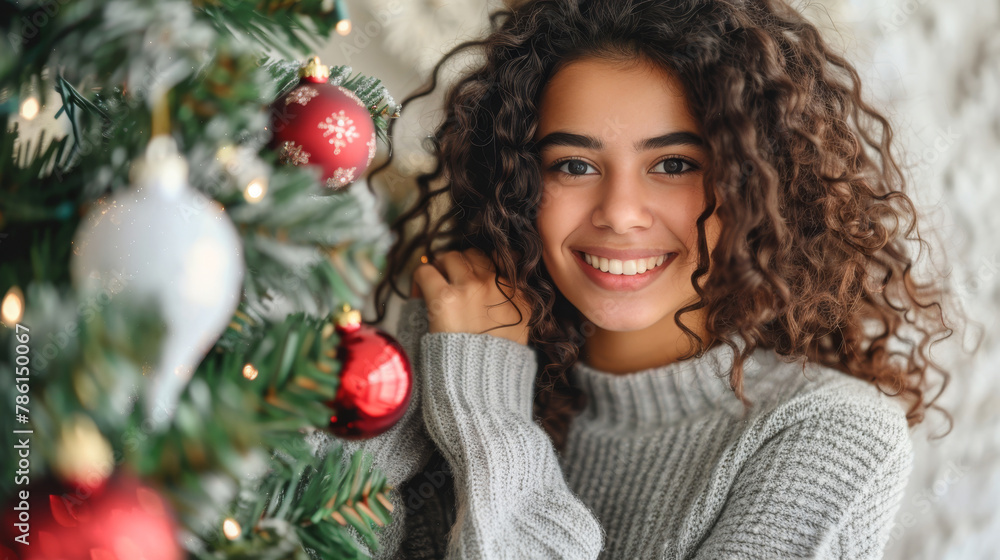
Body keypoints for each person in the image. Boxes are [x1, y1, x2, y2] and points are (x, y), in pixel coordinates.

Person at [313, 0, 958, 558]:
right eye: (573, 165)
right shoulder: (464, 350)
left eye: (673, 163)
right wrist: (418, 384)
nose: (620, 212)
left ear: (757, 183)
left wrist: (487, 410)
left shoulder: (828, 434)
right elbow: (299, 530)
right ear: (515, 186)